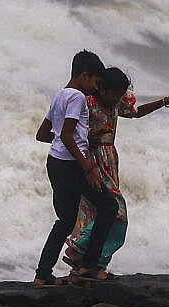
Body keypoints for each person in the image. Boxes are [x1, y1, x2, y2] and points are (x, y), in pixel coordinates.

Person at [62, 67, 169, 276]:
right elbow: (73, 131)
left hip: (110, 159)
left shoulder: (117, 102)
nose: (118, 99)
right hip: (92, 161)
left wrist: (165, 100)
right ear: (101, 89)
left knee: (100, 213)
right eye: (114, 94)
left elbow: (137, 113)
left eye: (121, 95)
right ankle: (78, 250)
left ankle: (92, 265)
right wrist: (92, 136)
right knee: (115, 211)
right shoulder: (88, 103)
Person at [33, 50, 116, 286]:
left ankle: (42, 274)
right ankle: (88, 266)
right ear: (84, 76)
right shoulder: (78, 97)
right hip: (71, 165)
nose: (97, 88)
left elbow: (43, 134)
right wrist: (88, 166)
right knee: (108, 206)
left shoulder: (59, 95)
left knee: (66, 220)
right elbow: (67, 134)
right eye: (96, 82)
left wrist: (85, 139)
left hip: (56, 162)